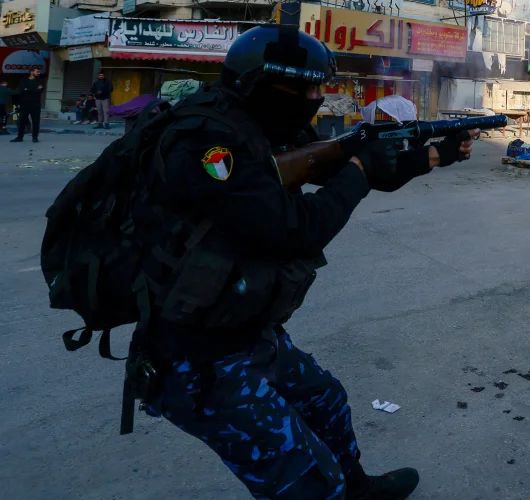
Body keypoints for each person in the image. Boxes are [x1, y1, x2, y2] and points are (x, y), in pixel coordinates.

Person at [129, 25, 472, 499]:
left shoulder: (268, 127)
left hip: (248, 333)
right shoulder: (210, 146)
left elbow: (350, 169)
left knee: (325, 400)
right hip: (195, 356)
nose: (314, 97)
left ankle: (357, 489)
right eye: (304, 87)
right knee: (309, 484)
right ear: (260, 84)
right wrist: (358, 168)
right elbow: (297, 229)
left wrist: (435, 154)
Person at [12, 67, 45, 143]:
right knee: (22, 121)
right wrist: (34, 89)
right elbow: (21, 91)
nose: (38, 73)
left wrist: (27, 89)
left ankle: (35, 137)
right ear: (31, 72)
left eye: (39, 72)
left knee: (36, 122)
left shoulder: (40, 81)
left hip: (35, 105)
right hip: (24, 104)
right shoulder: (23, 80)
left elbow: (39, 91)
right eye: (37, 71)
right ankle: (19, 137)